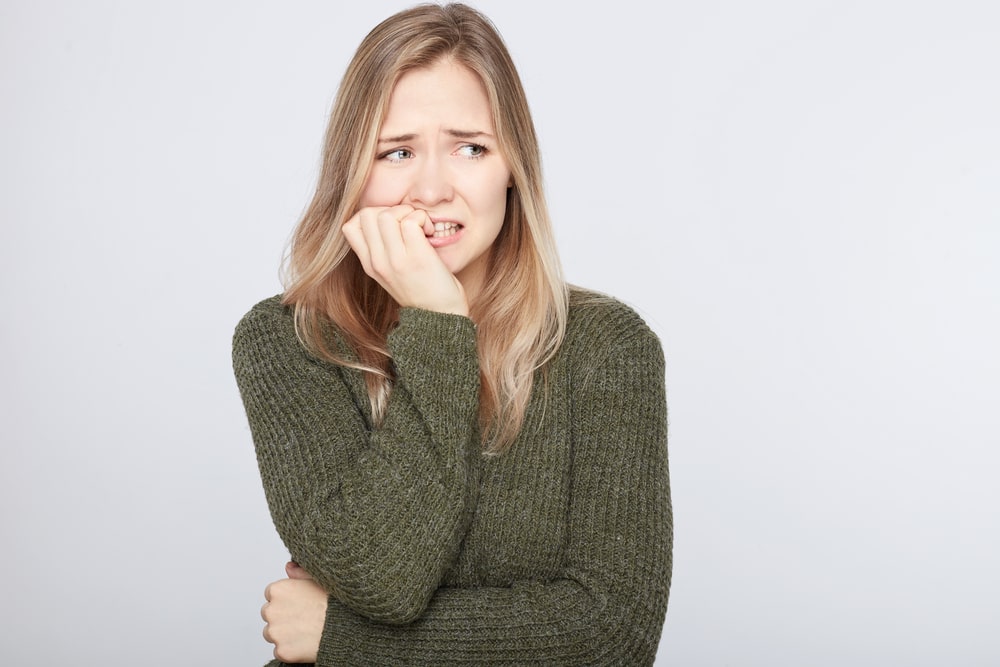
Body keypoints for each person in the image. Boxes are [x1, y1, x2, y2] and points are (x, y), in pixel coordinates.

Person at [232, 4, 672, 665]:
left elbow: (608, 636)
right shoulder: (290, 338)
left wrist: (341, 636)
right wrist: (439, 325)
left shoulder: (607, 347)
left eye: (470, 147)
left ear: (512, 167)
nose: (433, 188)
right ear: (352, 172)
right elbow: (382, 571)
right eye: (397, 151)